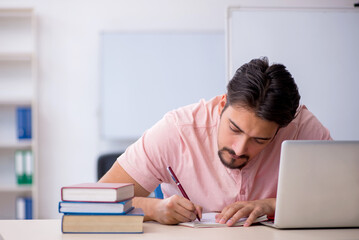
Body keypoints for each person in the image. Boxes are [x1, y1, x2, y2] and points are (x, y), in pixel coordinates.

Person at [99, 57, 331, 227]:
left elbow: (344, 200)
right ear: (222, 105)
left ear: (281, 129)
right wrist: (152, 209)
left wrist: (272, 205)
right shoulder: (176, 131)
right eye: (234, 129)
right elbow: (98, 201)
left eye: (260, 140)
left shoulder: (303, 129)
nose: (239, 149)